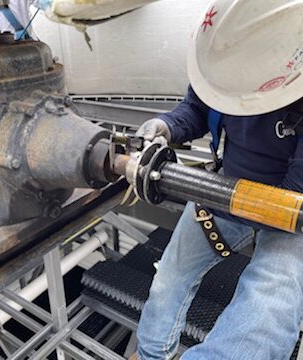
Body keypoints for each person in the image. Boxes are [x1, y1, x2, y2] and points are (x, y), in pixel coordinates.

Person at [130, 1, 303, 359]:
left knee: (265, 311)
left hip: (293, 211)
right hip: (228, 187)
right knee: (168, 281)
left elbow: (294, 193)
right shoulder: (224, 55)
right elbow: (196, 109)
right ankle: (150, 355)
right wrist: (164, 126)